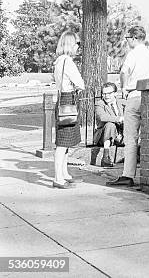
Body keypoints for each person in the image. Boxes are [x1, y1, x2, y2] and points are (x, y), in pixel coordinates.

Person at [107, 25, 149, 187]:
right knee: (148, 136)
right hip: (148, 96)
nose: (127, 42)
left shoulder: (133, 54)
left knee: (131, 138)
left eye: (127, 39)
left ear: (133, 38)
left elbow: (124, 72)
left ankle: (128, 175)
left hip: (133, 95)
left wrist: (124, 88)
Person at [53, 31, 85, 189]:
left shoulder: (59, 61)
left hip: (61, 100)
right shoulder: (68, 62)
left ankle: (64, 174)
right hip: (69, 101)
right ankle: (59, 178)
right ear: (70, 44)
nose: (78, 46)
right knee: (62, 144)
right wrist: (77, 87)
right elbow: (81, 83)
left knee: (64, 142)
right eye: (77, 43)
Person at [94, 82, 124, 167]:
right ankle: (105, 157)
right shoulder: (99, 104)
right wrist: (119, 119)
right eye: (104, 94)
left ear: (115, 93)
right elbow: (102, 117)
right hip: (103, 135)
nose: (106, 96)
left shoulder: (122, 103)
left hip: (120, 134)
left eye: (109, 93)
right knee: (110, 124)